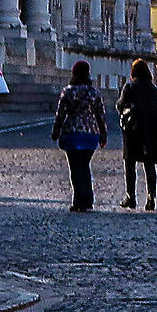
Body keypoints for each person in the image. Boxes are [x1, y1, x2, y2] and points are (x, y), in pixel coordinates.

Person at [50, 61, 108, 212]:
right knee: (85, 166)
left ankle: (78, 200)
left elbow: (60, 114)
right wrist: (103, 136)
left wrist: (56, 132)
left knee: (75, 168)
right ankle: (88, 199)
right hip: (91, 134)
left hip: (73, 133)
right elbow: (100, 116)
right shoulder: (94, 93)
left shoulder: (68, 91)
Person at [117, 60, 157, 210]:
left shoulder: (130, 86)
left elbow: (120, 105)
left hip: (133, 131)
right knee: (149, 165)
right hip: (150, 132)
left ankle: (130, 196)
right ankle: (151, 197)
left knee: (130, 164)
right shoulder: (153, 89)